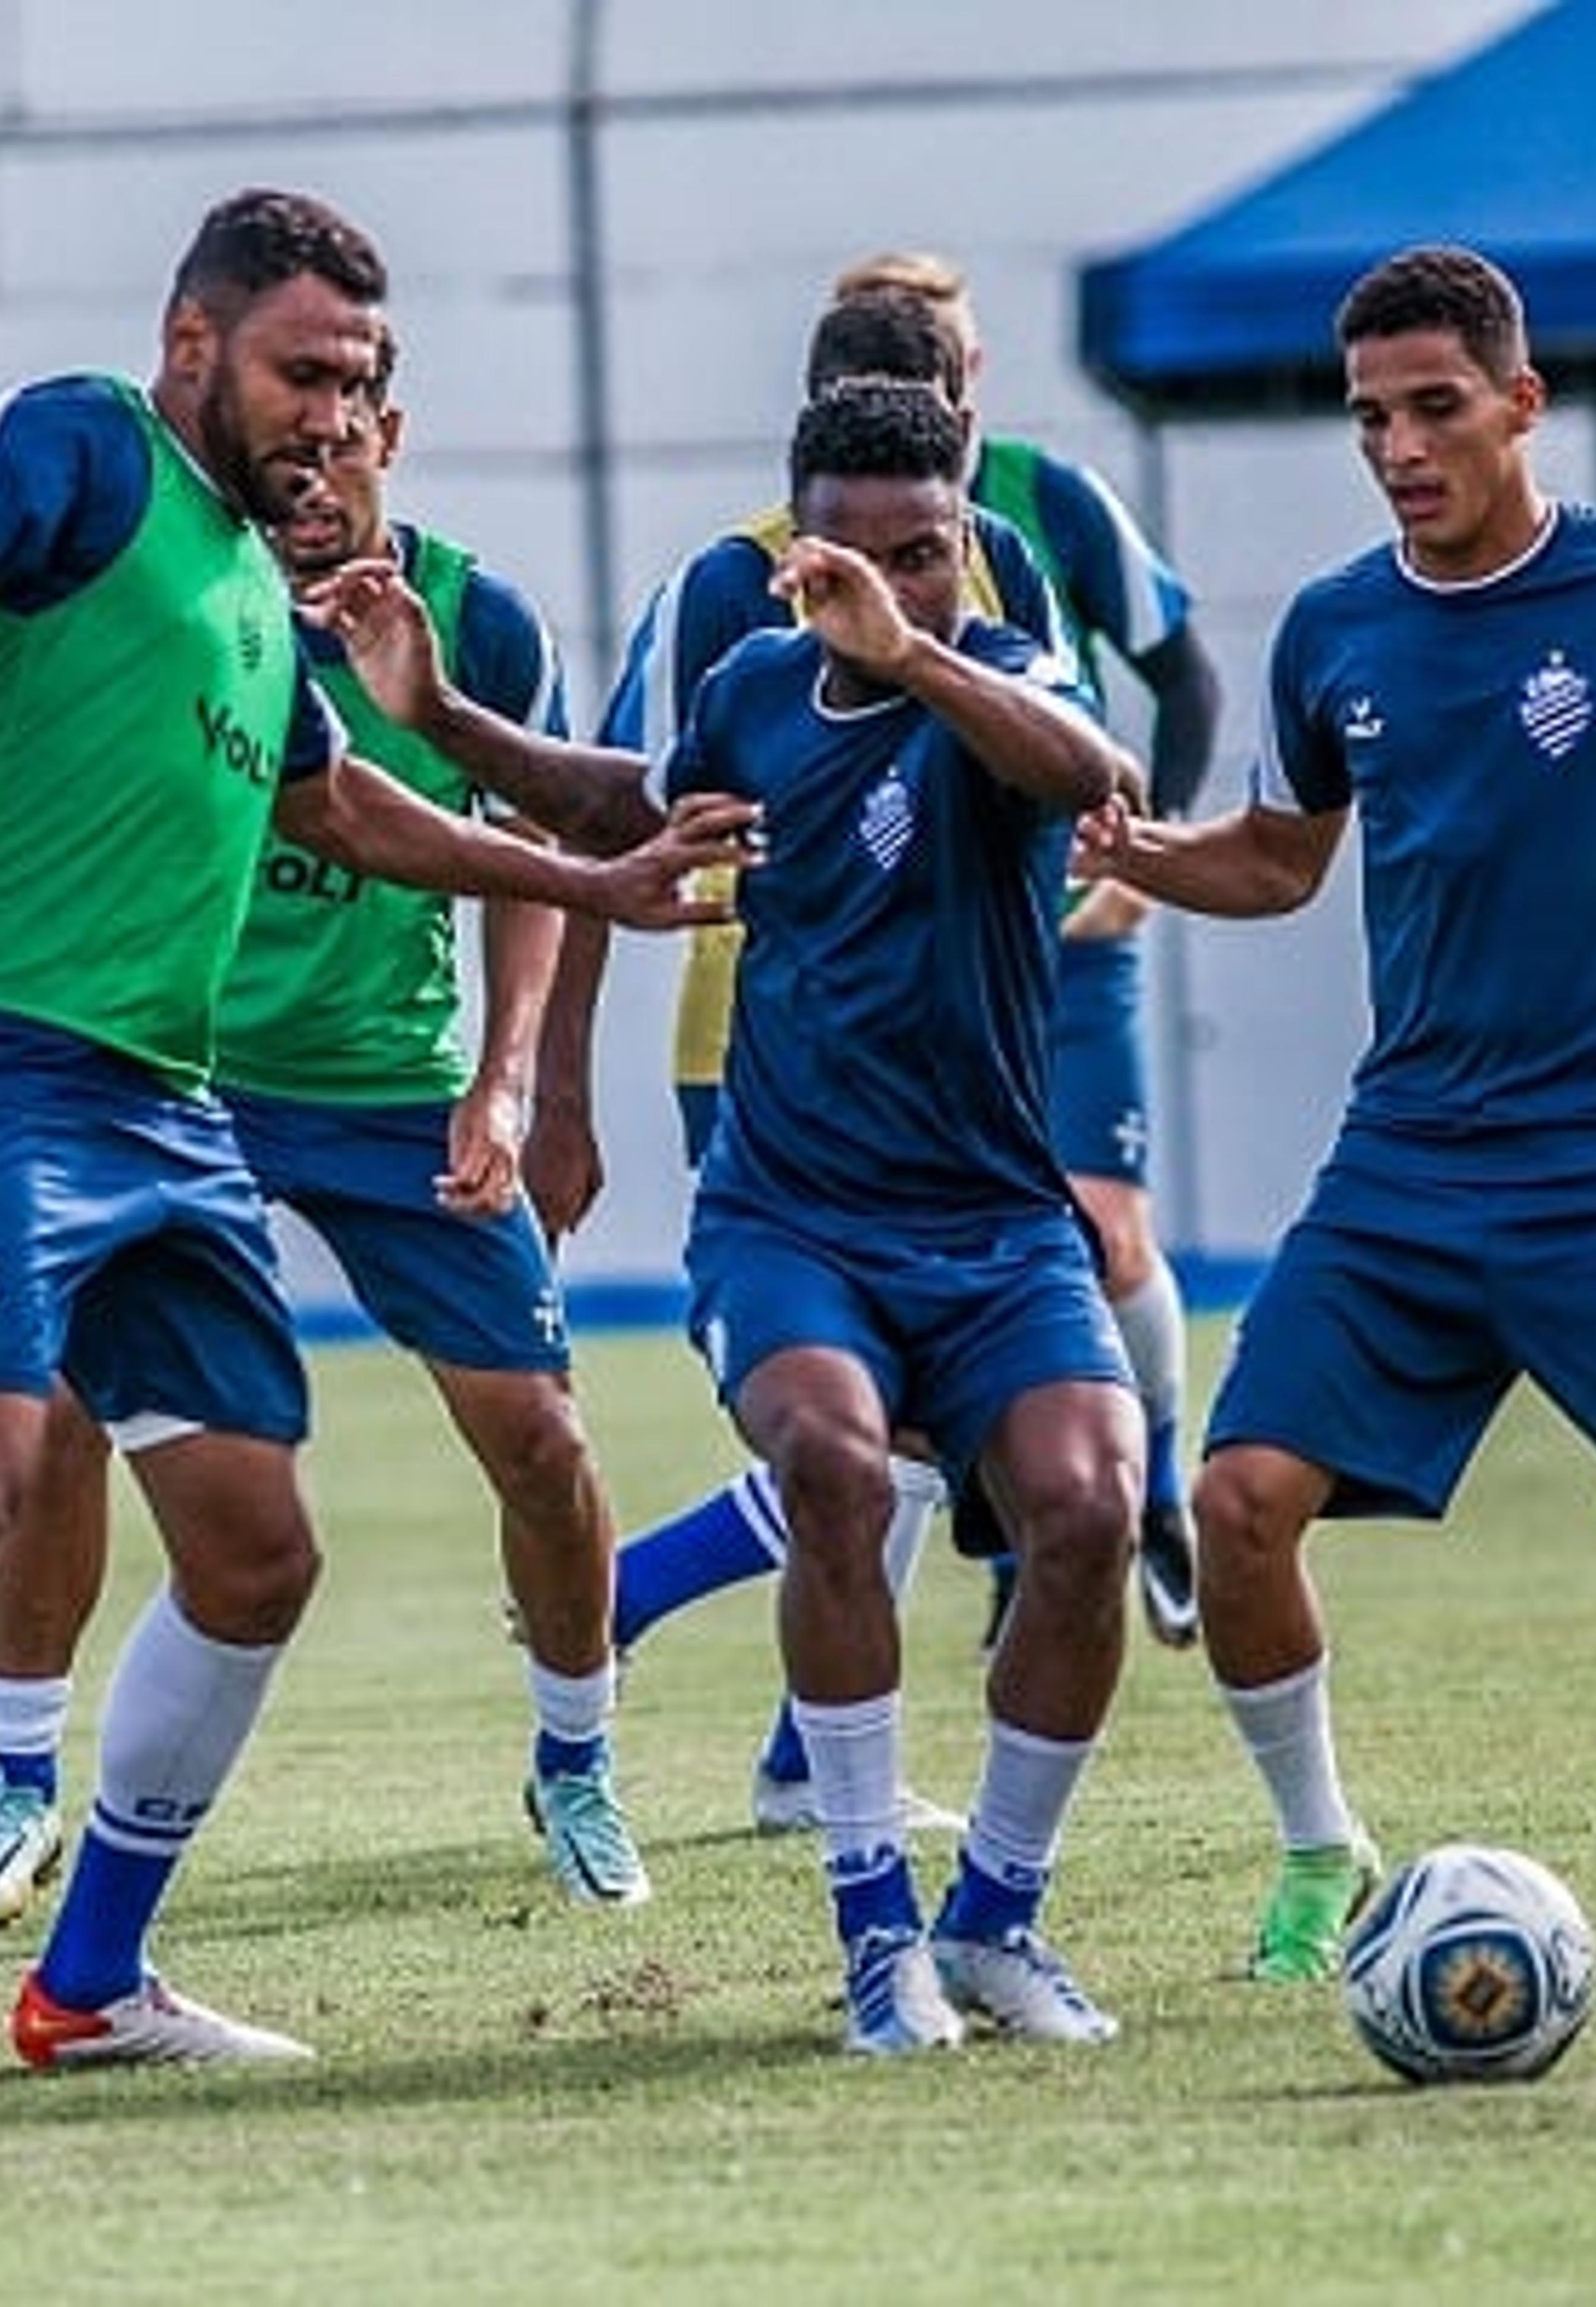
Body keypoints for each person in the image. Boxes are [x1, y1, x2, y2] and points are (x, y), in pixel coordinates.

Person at [0, 188, 750, 2129]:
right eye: (302, 370)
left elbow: (359, 808)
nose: (330, 412)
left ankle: (90, 1982)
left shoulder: (257, 588)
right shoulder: (78, 450)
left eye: (360, 380)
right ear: (194, 342)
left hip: (163, 1108)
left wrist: (588, 871)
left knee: (259, 1549)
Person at [327, 376, 1152, 2055]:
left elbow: (1097, 773)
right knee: (836, 1469)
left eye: (925, 558)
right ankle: (874, 1935)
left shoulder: (995, 684)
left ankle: (994, 1918)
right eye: (850, 563)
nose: (887, 589)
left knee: (1092, 1509)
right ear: (794, 563)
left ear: (963, 551)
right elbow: (626, 808)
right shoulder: (757, 691)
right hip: (792, 1217)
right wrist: (450, 720)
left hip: (997, 1223)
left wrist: (919, 652)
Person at [1090, 243, 1596, 1984]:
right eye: (1371, 418)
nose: (1397, 448)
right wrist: (1151, 855)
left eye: (1434, 408)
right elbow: (1282, 865)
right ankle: (1318, 1852)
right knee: (1235, 1500)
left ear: (1525, 403)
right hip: (1411, 1161)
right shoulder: (1334, 629)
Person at [0, 324, 652, 1936]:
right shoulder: (191, 592)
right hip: (174, 1077)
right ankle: (17, 1775)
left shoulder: (479, 619)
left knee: (539, 1439)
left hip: (390, 1083)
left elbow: (530, 855)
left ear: (392, 428)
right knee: (48, 1417)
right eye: (294, 434)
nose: (316, 466)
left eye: (349, 434)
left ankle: (578, 1758)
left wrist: (512, 1083)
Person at [528, 286, 1069, 1838]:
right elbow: (614, 812)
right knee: (860, 1416)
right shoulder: (728, 587)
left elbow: (1045, 761)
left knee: (905, 1425)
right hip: (758, 1040)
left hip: (961, 1051)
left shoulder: (995, 557)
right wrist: (558, 1090)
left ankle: (777, 1733)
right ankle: (704, 1663)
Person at [831, 251, 1219, 1659]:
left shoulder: (1050, 503)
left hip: (1069, 926)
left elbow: (1182, 672)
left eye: (940, 361)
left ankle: (1158, 1491)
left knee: (1105, 1223)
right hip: (927, 955)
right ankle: (1024, 1542)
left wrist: (1145, 855)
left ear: (972, 372)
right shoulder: (815, 537)